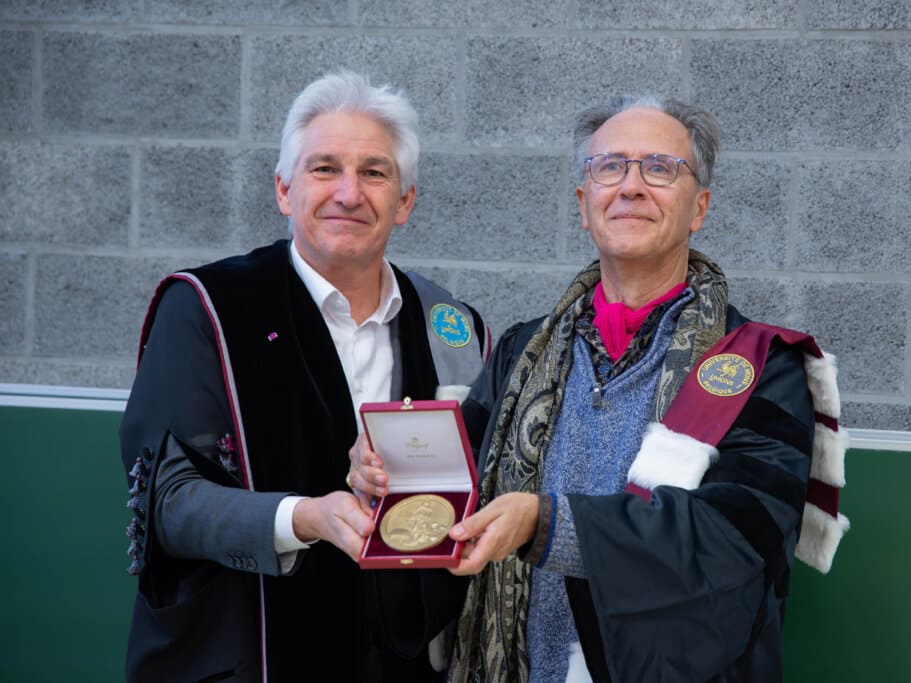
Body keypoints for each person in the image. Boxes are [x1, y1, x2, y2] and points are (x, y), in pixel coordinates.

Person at [349, 96, 848, 682]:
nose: (631, 186)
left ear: (699, 209)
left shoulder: (761, 366)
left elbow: (735, 546)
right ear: (585, 207)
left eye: (660, 167)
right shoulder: (520, 351)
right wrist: (385, 471)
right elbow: (455, 486)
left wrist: (550, 524)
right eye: (609, 167)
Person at [119, 69, 489, 682]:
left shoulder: (450, 324)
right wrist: (304, 518)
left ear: (405, 201)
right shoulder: (207, 305)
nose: (349, 193)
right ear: (285, 191)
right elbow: (169, 505)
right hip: (250, 655)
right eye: (324, 169)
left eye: (374, 172)